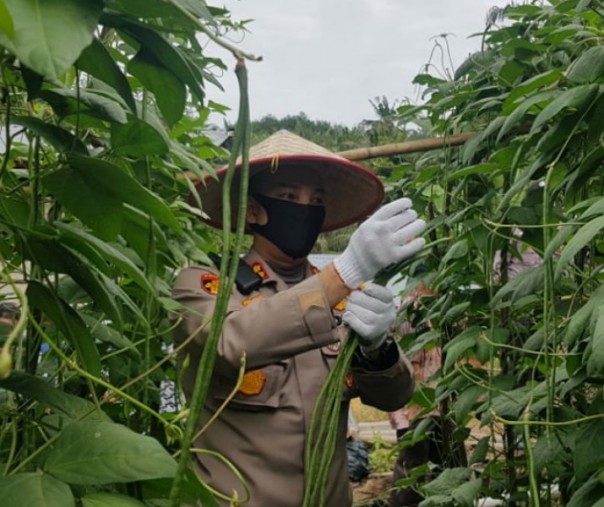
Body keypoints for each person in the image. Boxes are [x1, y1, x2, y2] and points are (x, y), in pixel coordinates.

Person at [172, 130, 427, 507]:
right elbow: (229, 345)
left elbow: (395, 397)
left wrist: (379, 348)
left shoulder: (342, 300)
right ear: (253, 211)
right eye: (289, 198)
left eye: (316, 201)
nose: (304, 210)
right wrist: (345, 273)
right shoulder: (207, 286)